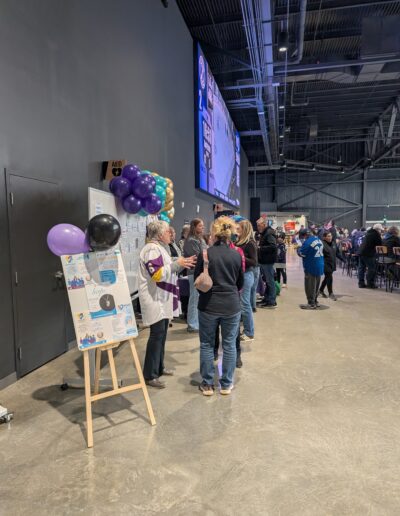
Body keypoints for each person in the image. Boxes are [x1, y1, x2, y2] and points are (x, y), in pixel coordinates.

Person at [139, 221, 195, 388]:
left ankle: (159, 368)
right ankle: (150, 375)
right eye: (167, 231)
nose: (170, 233)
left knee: (162, 335)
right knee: (156, 336)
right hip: (155, 299)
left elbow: (167, 263)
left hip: (161, 299)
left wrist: (180, 261)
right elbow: (157, 274)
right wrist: (177, 264)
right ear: (159, 234)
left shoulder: (159, 248)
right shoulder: (151, 249)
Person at [194, 216, 244, 396]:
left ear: (214, 232)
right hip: (231, 305)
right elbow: (240, 283)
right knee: (229, 345)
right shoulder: (236, 255)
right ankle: (226, 384)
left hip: (208, 304)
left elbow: (197, 281)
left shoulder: (205, 254)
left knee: (207, 344)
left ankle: (207, 384)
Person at [183, 218, 207, 332]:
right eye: (200, 226)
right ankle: (192, 324)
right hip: (194, 273)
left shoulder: (200, 239)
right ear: (194, 227)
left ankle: (196, 322)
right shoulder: (191, 240)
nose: (203, 227)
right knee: (194, 299)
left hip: (201, 272)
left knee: (198, 298)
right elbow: (199, 256)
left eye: (203, 225)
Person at [236, 219, 257, 342]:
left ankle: (249, 332)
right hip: (240, 275)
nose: (236, 230)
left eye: (238, 228)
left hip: (246, 275)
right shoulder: (239, 242)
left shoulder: (250, 243)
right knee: (241, 304)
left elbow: (254, 261)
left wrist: (240, 256)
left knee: (245, 304)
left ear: (244, 229)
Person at [297, 228, 325, 310]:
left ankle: (311, 303)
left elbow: (301, 253)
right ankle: (315, 301)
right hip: (319, 264)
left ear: (305, 235)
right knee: (316, 285)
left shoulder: (307, 242)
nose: (303, 238)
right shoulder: (318, 240)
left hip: (311, 266)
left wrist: (298, 249)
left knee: (310, 285)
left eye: (303, 237)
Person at [256, 217, 278, 308]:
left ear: (264, 224)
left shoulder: (269, 233)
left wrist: (260, 248)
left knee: (270, 281)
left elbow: (273, 246)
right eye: (257, 225)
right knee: (268, 281)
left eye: (259, 225)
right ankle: (267, 298)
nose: (258, 227)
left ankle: (271, 301)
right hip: (265, 261)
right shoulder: (265, 233)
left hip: (268, 261)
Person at [319, 231, 343, 301]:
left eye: (331, 236)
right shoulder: (321, 244)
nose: (330, 237)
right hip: (325, 264)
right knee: (329, 277)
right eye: (328, 236)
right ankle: (330, 293)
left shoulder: (333, 243)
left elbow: (337, 253)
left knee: (327, 277)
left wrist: (343, 259)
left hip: (332, 264)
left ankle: (321, 290)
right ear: (324, 237)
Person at [358, 223, 383, 288]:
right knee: (371, 268)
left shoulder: (368, 233)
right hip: (368, 254)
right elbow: (380, 244)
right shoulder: (376, 234)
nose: (381, 231)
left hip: (361, 252)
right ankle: (370, 284)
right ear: (378, 230)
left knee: (361, 268)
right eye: (380, 230)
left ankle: (361, 283)